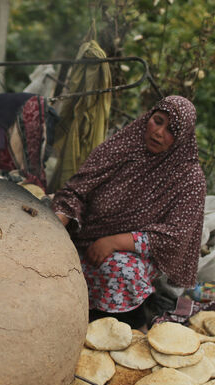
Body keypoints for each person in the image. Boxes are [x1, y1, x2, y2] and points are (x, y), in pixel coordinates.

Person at [51, 95, 206, 328]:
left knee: (120, 270)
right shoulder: (122, 146)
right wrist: (57, 222)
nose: (158, 132)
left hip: (135, 251)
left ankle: (124, 322)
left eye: (171, 129)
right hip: (84, 234)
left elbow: (174, 237)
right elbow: (77, 191)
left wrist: (114, 242)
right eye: (157, 121)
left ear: (182, 137)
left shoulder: (188, 178)